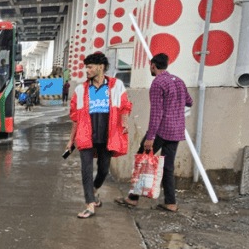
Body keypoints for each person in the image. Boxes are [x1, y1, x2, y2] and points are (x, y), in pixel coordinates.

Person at [115, 53, 193, 212]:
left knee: (141, 159)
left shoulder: (158, 83)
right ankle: (171, 203)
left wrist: (150, 137)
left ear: (153, 65)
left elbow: (157, 113)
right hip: (176, 130)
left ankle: (132, 198)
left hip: (161, 131)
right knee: (168, 167)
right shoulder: (178, 81)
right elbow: (189, 101)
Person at [66, 51, 132, 218]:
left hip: (108, 133)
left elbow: (125, 106)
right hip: (85, 133)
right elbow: (75, 117)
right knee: (86, 170)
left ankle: (94, 190)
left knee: (103, 169)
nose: (86, 70)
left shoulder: (117, 86)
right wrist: (70, 140)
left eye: (90, 67)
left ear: (101, 67)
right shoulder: (81, 89)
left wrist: (124, 122)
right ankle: (89, 204)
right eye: (86, 67)